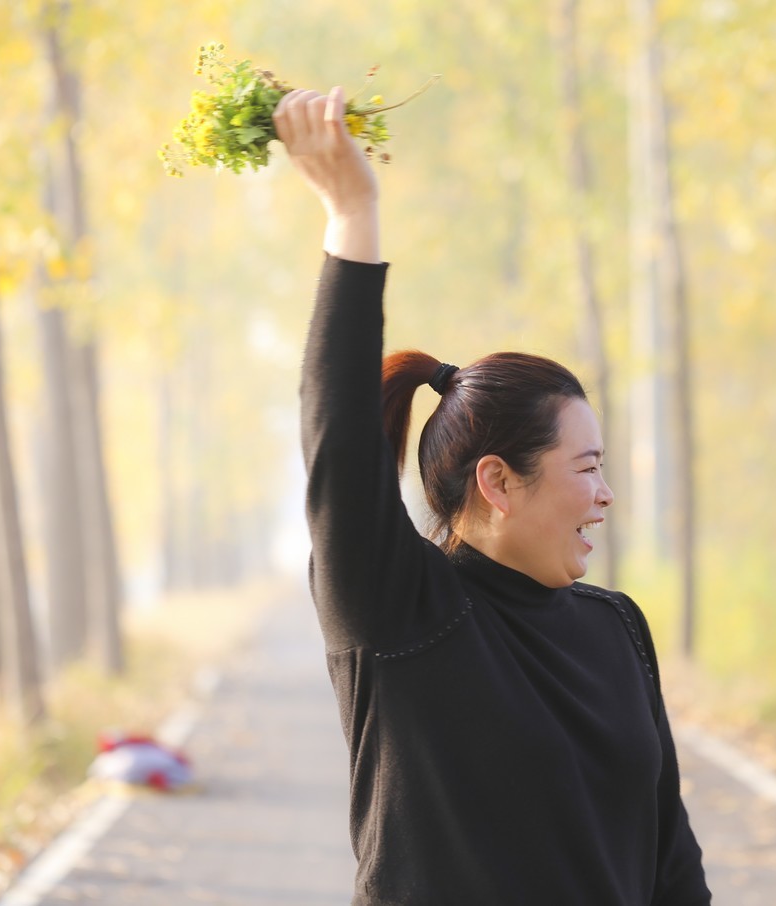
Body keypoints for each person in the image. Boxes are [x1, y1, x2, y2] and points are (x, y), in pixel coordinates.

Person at [274, 84, 711, 906]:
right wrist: (352, 217)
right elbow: (338, 447)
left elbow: (670, 859)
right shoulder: (399, 614)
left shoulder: (616, 628)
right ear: (497, 483)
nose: (607, 495)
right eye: (586, 469)